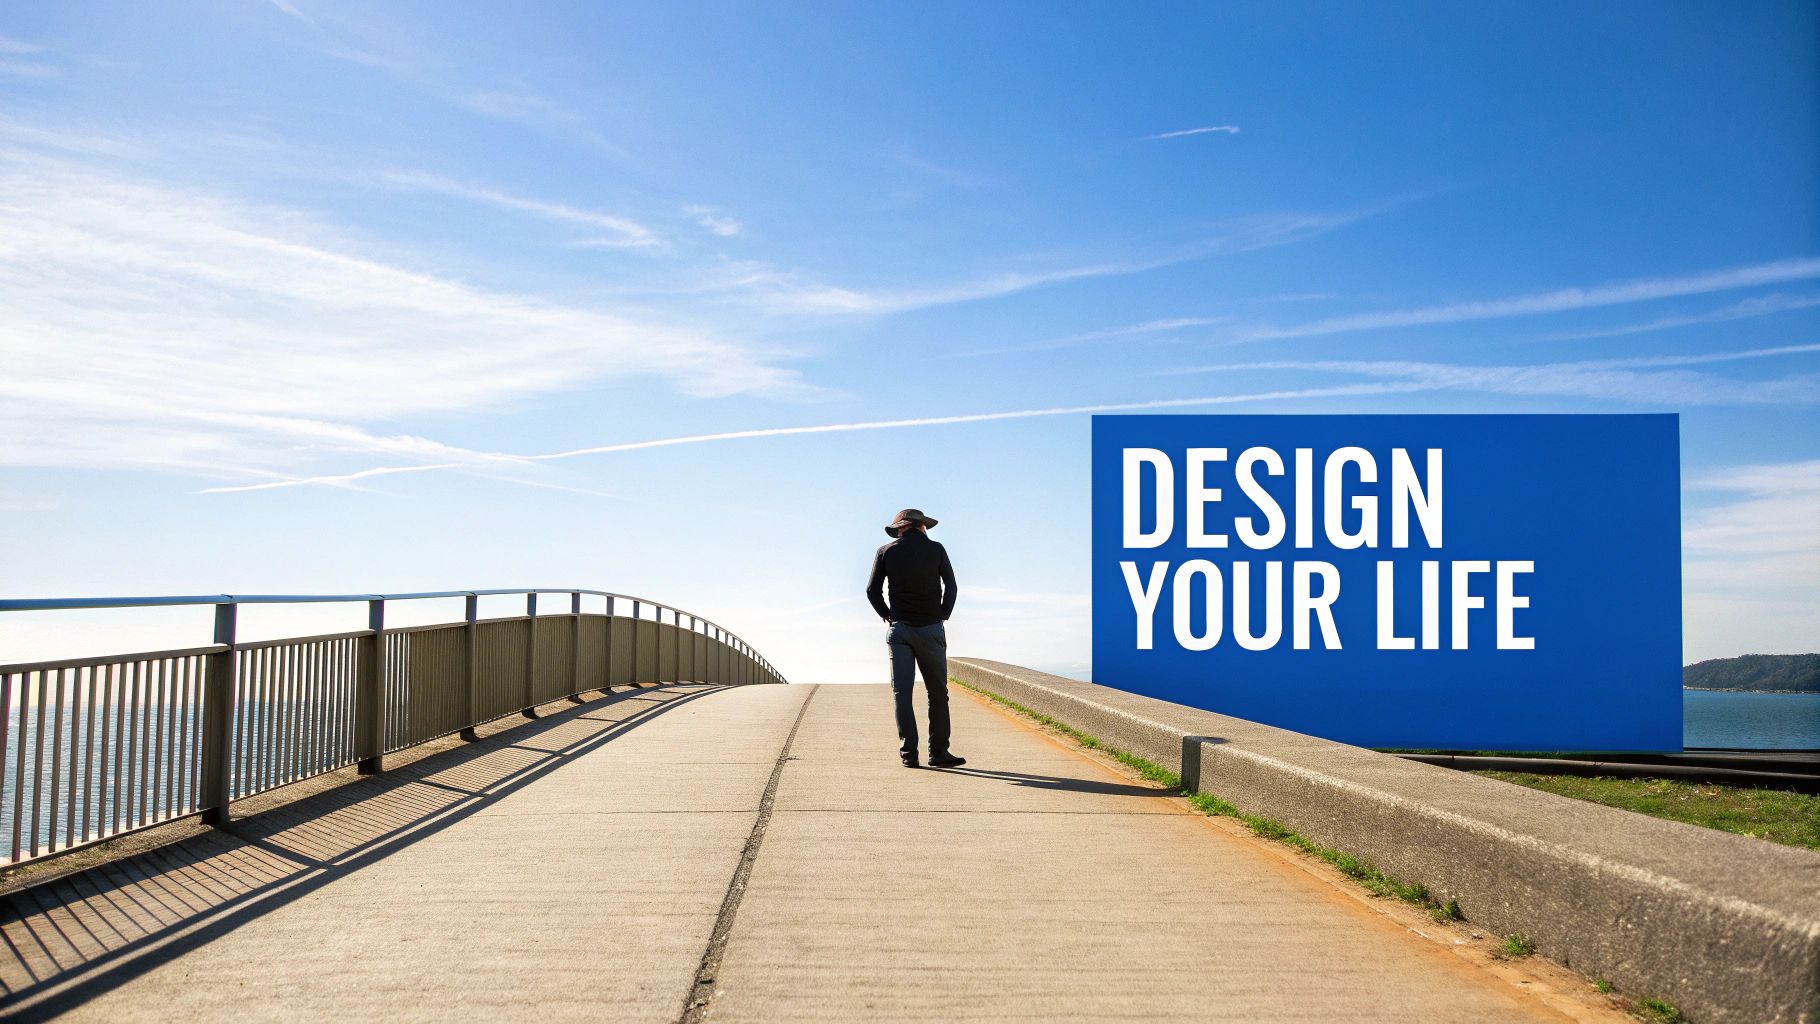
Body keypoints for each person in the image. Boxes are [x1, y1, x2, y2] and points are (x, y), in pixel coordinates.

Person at [866, 508, 965, 768]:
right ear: (921, 526)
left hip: (900, 631)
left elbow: (871, 590)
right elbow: (952, 587)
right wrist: (942, 615)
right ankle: (939, 753)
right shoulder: (937, 550)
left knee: (902, 693)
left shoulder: (886, 552)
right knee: (937, 693)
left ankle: (909, 754)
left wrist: (888, 615)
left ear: (902, 528)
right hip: (931, 628)